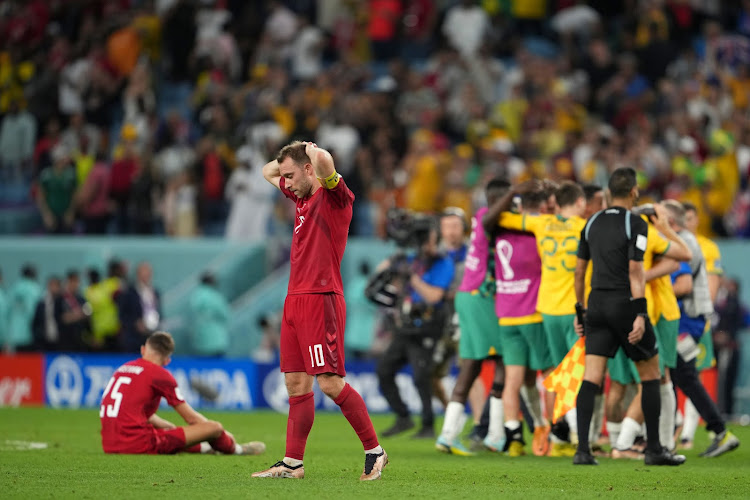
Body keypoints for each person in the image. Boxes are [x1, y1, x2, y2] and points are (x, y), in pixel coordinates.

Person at [251, 141, 386, 481]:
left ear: (309, 169)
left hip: (321, 297)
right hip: (294, 299)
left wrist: (310, 149)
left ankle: (375, 451)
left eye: (292, 176)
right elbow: (268, 171)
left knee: (329, 382)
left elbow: (325, 159)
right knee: (296, 384)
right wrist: (288, 163)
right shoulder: (299, 196)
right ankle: (292, 463)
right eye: (286, 177)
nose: (287, 182)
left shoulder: (334, 197)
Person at [572, 167, 684, 466]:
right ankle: (655, 450)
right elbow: (636, 271)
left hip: (596, 305)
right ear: (634, 191)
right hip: (624, 304)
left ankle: (583, 450)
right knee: (652, 376)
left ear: (609, 192)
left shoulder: (591, 222)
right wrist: (639, 314)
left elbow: (580, 271)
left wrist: (579, 310)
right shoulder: (635, 223)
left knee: (591, 378)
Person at [100, 331, 265, 455]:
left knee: (170, 433)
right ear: (167, 360)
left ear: (143, 350)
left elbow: (133, 410)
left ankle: (207, 448)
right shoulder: (159, 374)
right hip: (135, 443)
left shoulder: (123, 368)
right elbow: (191, 418)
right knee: (214, 427)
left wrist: (167, 426)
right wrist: (222, 435)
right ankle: (237, 449)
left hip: (109, 443)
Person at [661, 200, 740, 458]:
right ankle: (716, 433)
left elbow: (689, 286)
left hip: (686, 321)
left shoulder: (686, 244)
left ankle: (665, 439)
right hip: (687, 320)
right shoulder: (687, 242)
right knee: (681, 376)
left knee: (671, 375)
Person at [436, 180, 508, 456]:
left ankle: (449, 434)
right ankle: (495, 435)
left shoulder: (480, 219)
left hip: (469, 296)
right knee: (502, 359)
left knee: (472, 366)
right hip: (482, 297)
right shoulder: (491, 219)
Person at [483, 180, 553, 457]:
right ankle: (554, 433)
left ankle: (514, 438)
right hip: (534, 313)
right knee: (548, 375)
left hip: (507, 314)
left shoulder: (500, 228)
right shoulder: (541, 229)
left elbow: (490, 218)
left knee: (514, 379)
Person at [375, 217, 455, 439]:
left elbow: (435, 297)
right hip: (406, 326)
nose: (425, 245)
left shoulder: (443, 263)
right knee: (384, 370)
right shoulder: (411, 259)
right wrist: (391, 265)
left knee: (422, 376)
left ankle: (428, 425)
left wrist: (412, 277)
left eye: (427, 240)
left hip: (428, 327)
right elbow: (381, 272)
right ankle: (403, 417)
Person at [118, 262, 161, 353]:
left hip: (151, 337)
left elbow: (159, 312)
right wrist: (135, 323)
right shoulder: (129, 293)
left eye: (148, 272)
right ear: (138, 274)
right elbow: (122, 315)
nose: (146, 275)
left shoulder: (155, 292)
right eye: (143, 272)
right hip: (134, 340)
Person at [189, 272, 231, 357]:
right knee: (216, 365)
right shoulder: (215, 296)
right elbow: (225, 314)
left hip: (199, 339)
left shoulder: (195, 296)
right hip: (216, 339)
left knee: (202, 366)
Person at [5, 265, 43, 353]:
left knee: (18, 362)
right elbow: (33, 312)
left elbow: (7, 311)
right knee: (29, 362)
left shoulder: (14, 288)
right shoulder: (33, 288)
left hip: (14, 334)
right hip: (29, 334)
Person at [55, 270, 91, 351]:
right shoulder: (60, 299)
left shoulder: (81, 299)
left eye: (77, 282)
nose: (75, 284)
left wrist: (74, 316)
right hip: (64, 340)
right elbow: (62, 318)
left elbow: (88, 314)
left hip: (80, 339)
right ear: (67, 282)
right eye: (73, 281)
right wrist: (79, 315)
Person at [31, 276, 62, 351]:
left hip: (60, 341)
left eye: (56, 286)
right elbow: (35, 321)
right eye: (51, 285)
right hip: (43, 340)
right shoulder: (42, 303)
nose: (53, 288)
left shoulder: (63, 302)